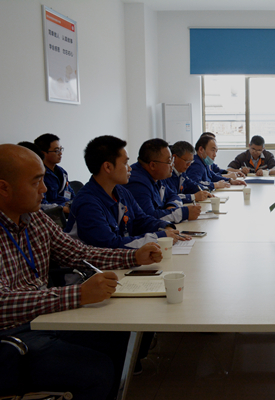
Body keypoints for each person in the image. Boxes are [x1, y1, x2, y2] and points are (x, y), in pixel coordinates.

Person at [0, 144, 162, 399]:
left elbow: (78, 253)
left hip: (43, 318)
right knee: (97, 371)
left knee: (119, 337)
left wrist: (133, 256)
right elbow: (2, 303)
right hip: (10, 338)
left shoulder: (35, 219)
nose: (44, 189)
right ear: (4, 188)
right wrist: (78, 295)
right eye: (36, 182)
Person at [64, 135, 186, 249]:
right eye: (125, 163)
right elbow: (110, 245)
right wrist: (159, 237)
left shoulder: (121, 191)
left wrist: (165, 226)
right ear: (107, 167)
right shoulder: (87, 203)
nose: (130, 168)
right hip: (94, 264)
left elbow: (141, 220)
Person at [125, 138, 202, 223]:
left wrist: (172, 207)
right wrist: (184, 213)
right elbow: (149, 218)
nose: (172, 165)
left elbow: (173, 196)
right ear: (153, 165)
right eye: (169, 162)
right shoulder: (137, 184)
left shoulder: (157, 177)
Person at [34, 133, 75, 215]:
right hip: (54, 215)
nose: (60, 153)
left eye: (61, 149)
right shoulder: (39, 175)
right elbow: (41, 204)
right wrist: (62, 209)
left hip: (69, 212)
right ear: (44, 153)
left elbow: (71, 195)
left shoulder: (62, 172)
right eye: (56, 150)